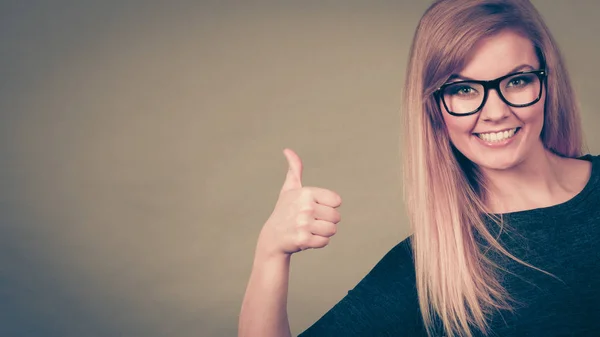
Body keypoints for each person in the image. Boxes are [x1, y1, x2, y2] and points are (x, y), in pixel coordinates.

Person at [238, 0, 600, 336]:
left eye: (517, 81)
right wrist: (271, 251)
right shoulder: (431, 269)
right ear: (433, 107)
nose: (495, 112)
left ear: (547, 81)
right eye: (463, 90)